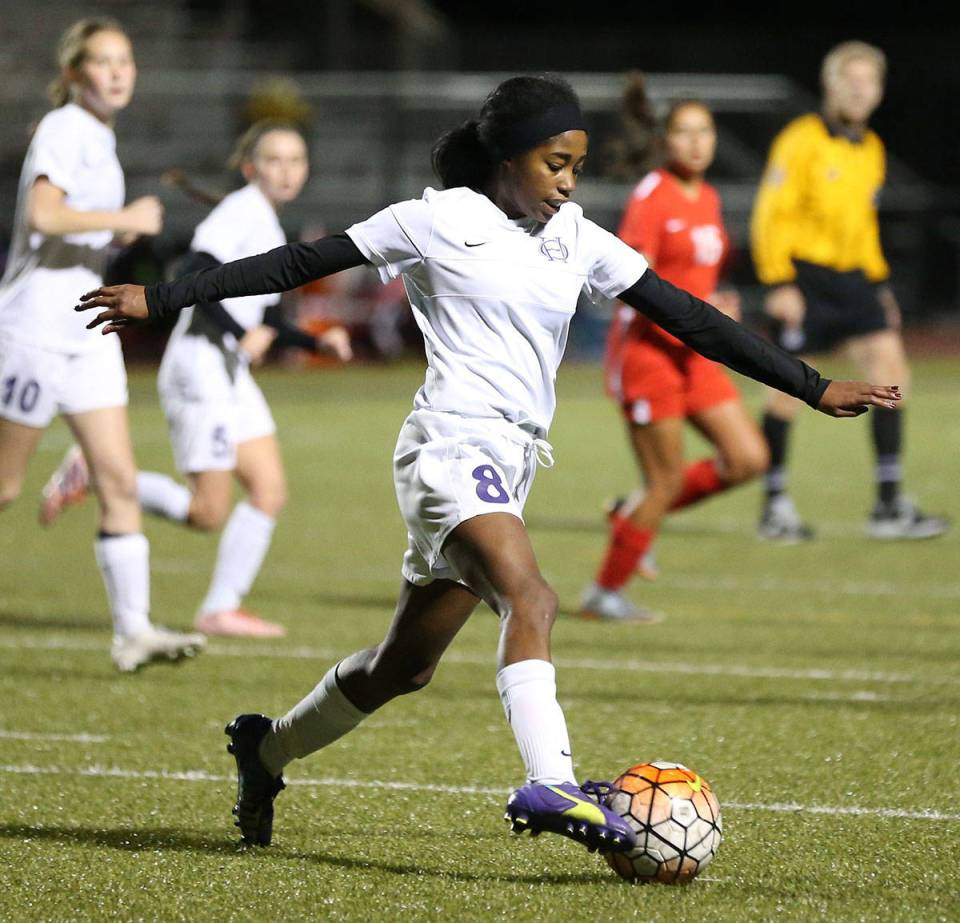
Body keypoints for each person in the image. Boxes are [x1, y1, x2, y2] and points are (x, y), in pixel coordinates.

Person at [76, 74, 900, 855]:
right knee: (530, 593)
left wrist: (813, 384)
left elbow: (686, 315)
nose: (570, 182)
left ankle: (265, 751)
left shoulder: (575, 238)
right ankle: (549, 783)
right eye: (555, 163)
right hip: (449, 446)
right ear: (507, 159)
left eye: (577, 164)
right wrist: (163, 297)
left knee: (405, 666)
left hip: (510, 460)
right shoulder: (433, 220)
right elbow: (299, 263)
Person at [41, 121, 352, 638]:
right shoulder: (241, 211)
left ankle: (220, 609)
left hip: (227, 369)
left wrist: (313, 342)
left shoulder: (268, 223)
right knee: (209, 511)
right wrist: (236, 333)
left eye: (295, 160)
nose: (286, 170)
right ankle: (98, 476)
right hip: (199, 369)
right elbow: (196, 269)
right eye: (274, 159)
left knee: (269, 490)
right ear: (251, 167)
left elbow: (263, 317)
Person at [0, 17, 204, 672]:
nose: (118, 71)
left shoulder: (96, 136)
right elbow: (43, 214)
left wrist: (118, 239)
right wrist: (125, 220)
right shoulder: (66, 128)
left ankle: (134, 630)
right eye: (103, 60)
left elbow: (72, 231)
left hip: (85, 329)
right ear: (72, 74)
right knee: (3, 485)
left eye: (126, 60)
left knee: (116, 477)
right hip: (34, 329)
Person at [580, 84, 768, 623]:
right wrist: (701, 305)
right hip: (649, 353)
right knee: (664, 480)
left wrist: (716, 302)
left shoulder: (705, 197)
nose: (696, 142)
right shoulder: (653, 195)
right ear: (664, 141)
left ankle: (632, 515)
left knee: (748, 458)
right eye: (684, 132)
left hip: (694, 351)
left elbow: (696, 278)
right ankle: (603, 594)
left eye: (704, 132)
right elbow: (633, 280)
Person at [751, 40, 948, 542]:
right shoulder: (800, 140)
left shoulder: (872, 149)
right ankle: (774, 507)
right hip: (805, 278)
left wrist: (880, 286)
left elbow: (863, 227)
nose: (861, 91)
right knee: (785, 391)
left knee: (892, 375)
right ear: (830, 86)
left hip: (855, 282)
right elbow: (771, 214)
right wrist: (778, 281)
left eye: (870, 83)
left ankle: (888, 505)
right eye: (851, 81)